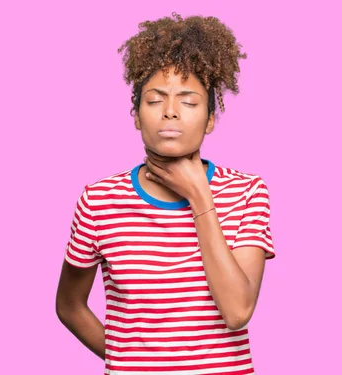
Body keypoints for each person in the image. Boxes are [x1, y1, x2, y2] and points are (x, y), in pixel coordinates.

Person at [55, 12, 275, 375]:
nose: (171, 112)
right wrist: (127, 361)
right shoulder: (99, 200)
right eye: (155, 100)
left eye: (189, 102)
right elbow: (70, 306)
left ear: (209, 118)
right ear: (137, 115)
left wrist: (200, 198)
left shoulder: (246, 191)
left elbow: (237, 311)